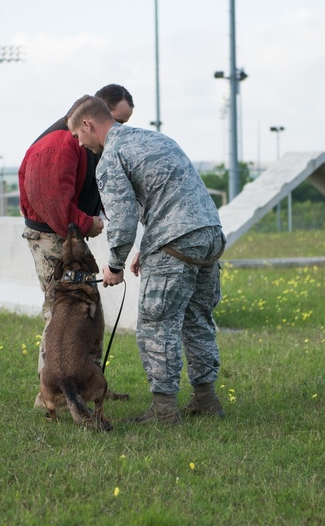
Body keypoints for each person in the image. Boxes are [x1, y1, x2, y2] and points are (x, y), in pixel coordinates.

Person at [65, 94, 226, 424]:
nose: (80, 145)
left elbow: (122, 219)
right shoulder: (154, 138)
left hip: (176, 238)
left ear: (88, 124)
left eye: (78, 137)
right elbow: (171, 197)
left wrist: (114, 264)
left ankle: (165, 411)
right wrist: (148, 247)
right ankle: (206, 399)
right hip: (209, 233)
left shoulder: (111, 158)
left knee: (157, 325)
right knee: (197, 319)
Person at [18, 85, 134, 408]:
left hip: (71, 235)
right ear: (93, 118)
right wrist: (88, 224)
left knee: (88, 315)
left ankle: (90, 385)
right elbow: (55, 207)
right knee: (61, 316)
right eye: (117, 120)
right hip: (54, 238)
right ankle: (50, 394)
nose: (118, 130)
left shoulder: (91, 146)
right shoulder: (58, 146)